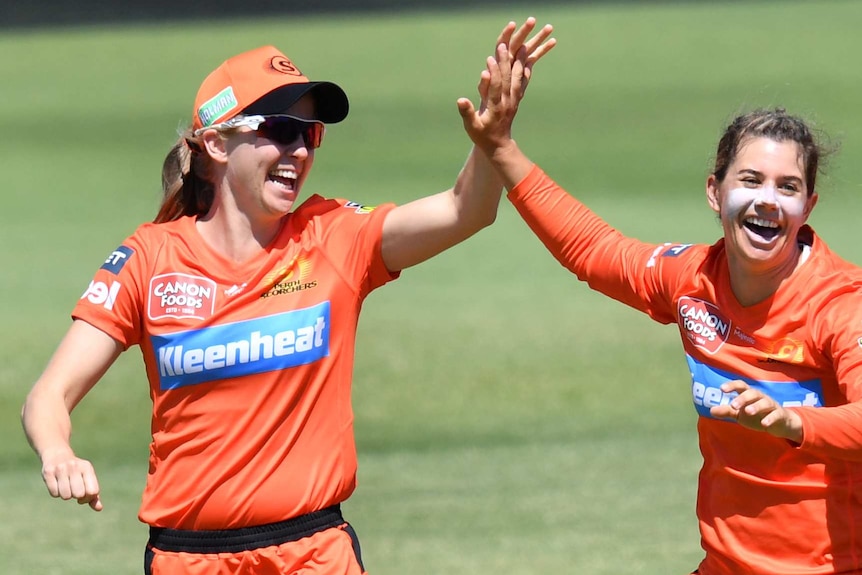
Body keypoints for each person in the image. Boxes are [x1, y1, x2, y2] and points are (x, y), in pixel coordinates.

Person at [21, 19, 555, 575]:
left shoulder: (333, 237)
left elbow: (465, 210)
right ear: (215, 142)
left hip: (313, 554)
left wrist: (494, 139)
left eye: (310, 134)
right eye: (279, 128)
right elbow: (47, 398)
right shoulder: (149, 259)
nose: (298, 149)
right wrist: (58, 452)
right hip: (188, 559)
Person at [461, 100, 862, 574]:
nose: (768, 200)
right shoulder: (691, 279)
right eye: (751, 180)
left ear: (808, 206)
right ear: (715, 192)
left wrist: (793, 423)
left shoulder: (840, 303)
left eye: (788, 187)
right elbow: (592, 250)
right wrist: (500, 147)